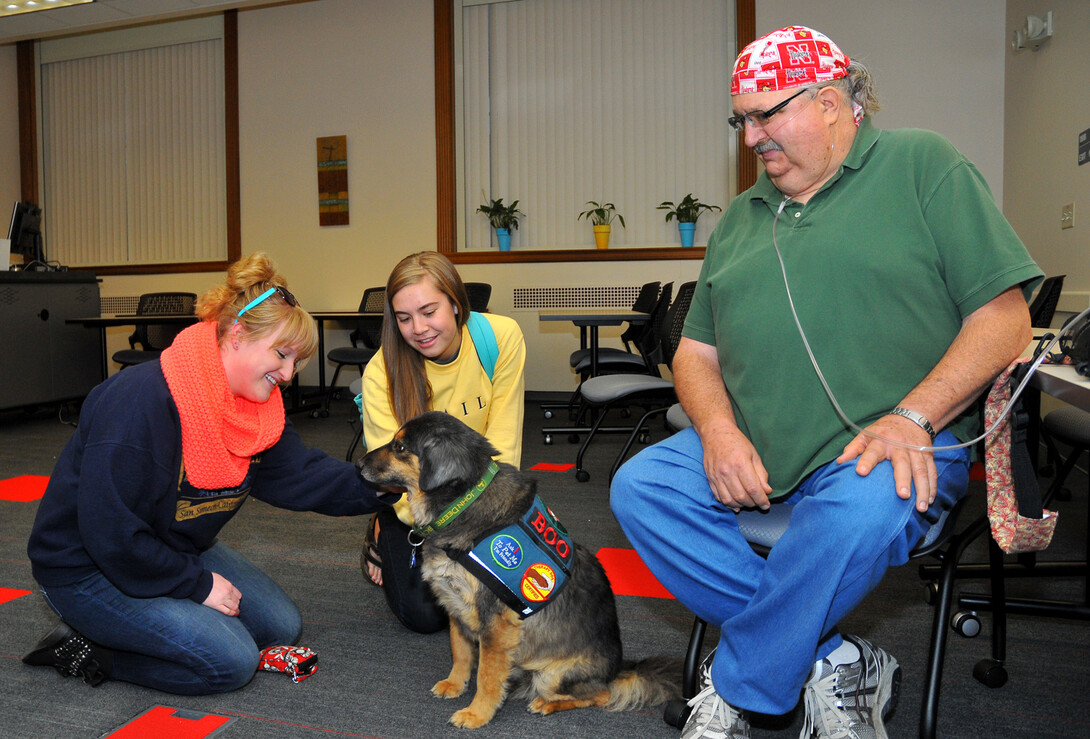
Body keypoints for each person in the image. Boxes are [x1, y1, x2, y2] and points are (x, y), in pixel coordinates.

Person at [610, 26, 1042, 739]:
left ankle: (742, 680)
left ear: (835, 102)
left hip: (891, 443)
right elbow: (694, 352)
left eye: (766, 113)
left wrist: (913, 416)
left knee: (854, 511)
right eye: (740, 119)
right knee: (640, 487)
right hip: (758, 441)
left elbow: (1004, 320)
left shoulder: (922, 164)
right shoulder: (742, 218)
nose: (750, 137)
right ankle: (832, 657)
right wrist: (717, 432)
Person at [23, 253, 396, 695]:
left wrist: (392, 483)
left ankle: (153, 618)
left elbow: (302, 475)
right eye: (281, 354)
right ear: (237, 334)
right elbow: (111, 534)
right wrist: (197, 585)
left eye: (296, 360)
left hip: (169, 544)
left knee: (281, 626)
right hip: (88, 568)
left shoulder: (254, 408)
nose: (289, 374)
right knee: (230, 662)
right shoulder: (137, 402)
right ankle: (89, 650)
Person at [358, 251, 526, 633]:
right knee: (427, 616)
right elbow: (394, 473)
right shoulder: (380, 373)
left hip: (479, 496)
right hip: (416, 502)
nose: (418, 328)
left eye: (429, 311)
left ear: (454, 301)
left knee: (515, 591)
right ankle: (380, 529)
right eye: (404, 318)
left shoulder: (500, 338)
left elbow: (504, 446)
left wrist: (495, 523)